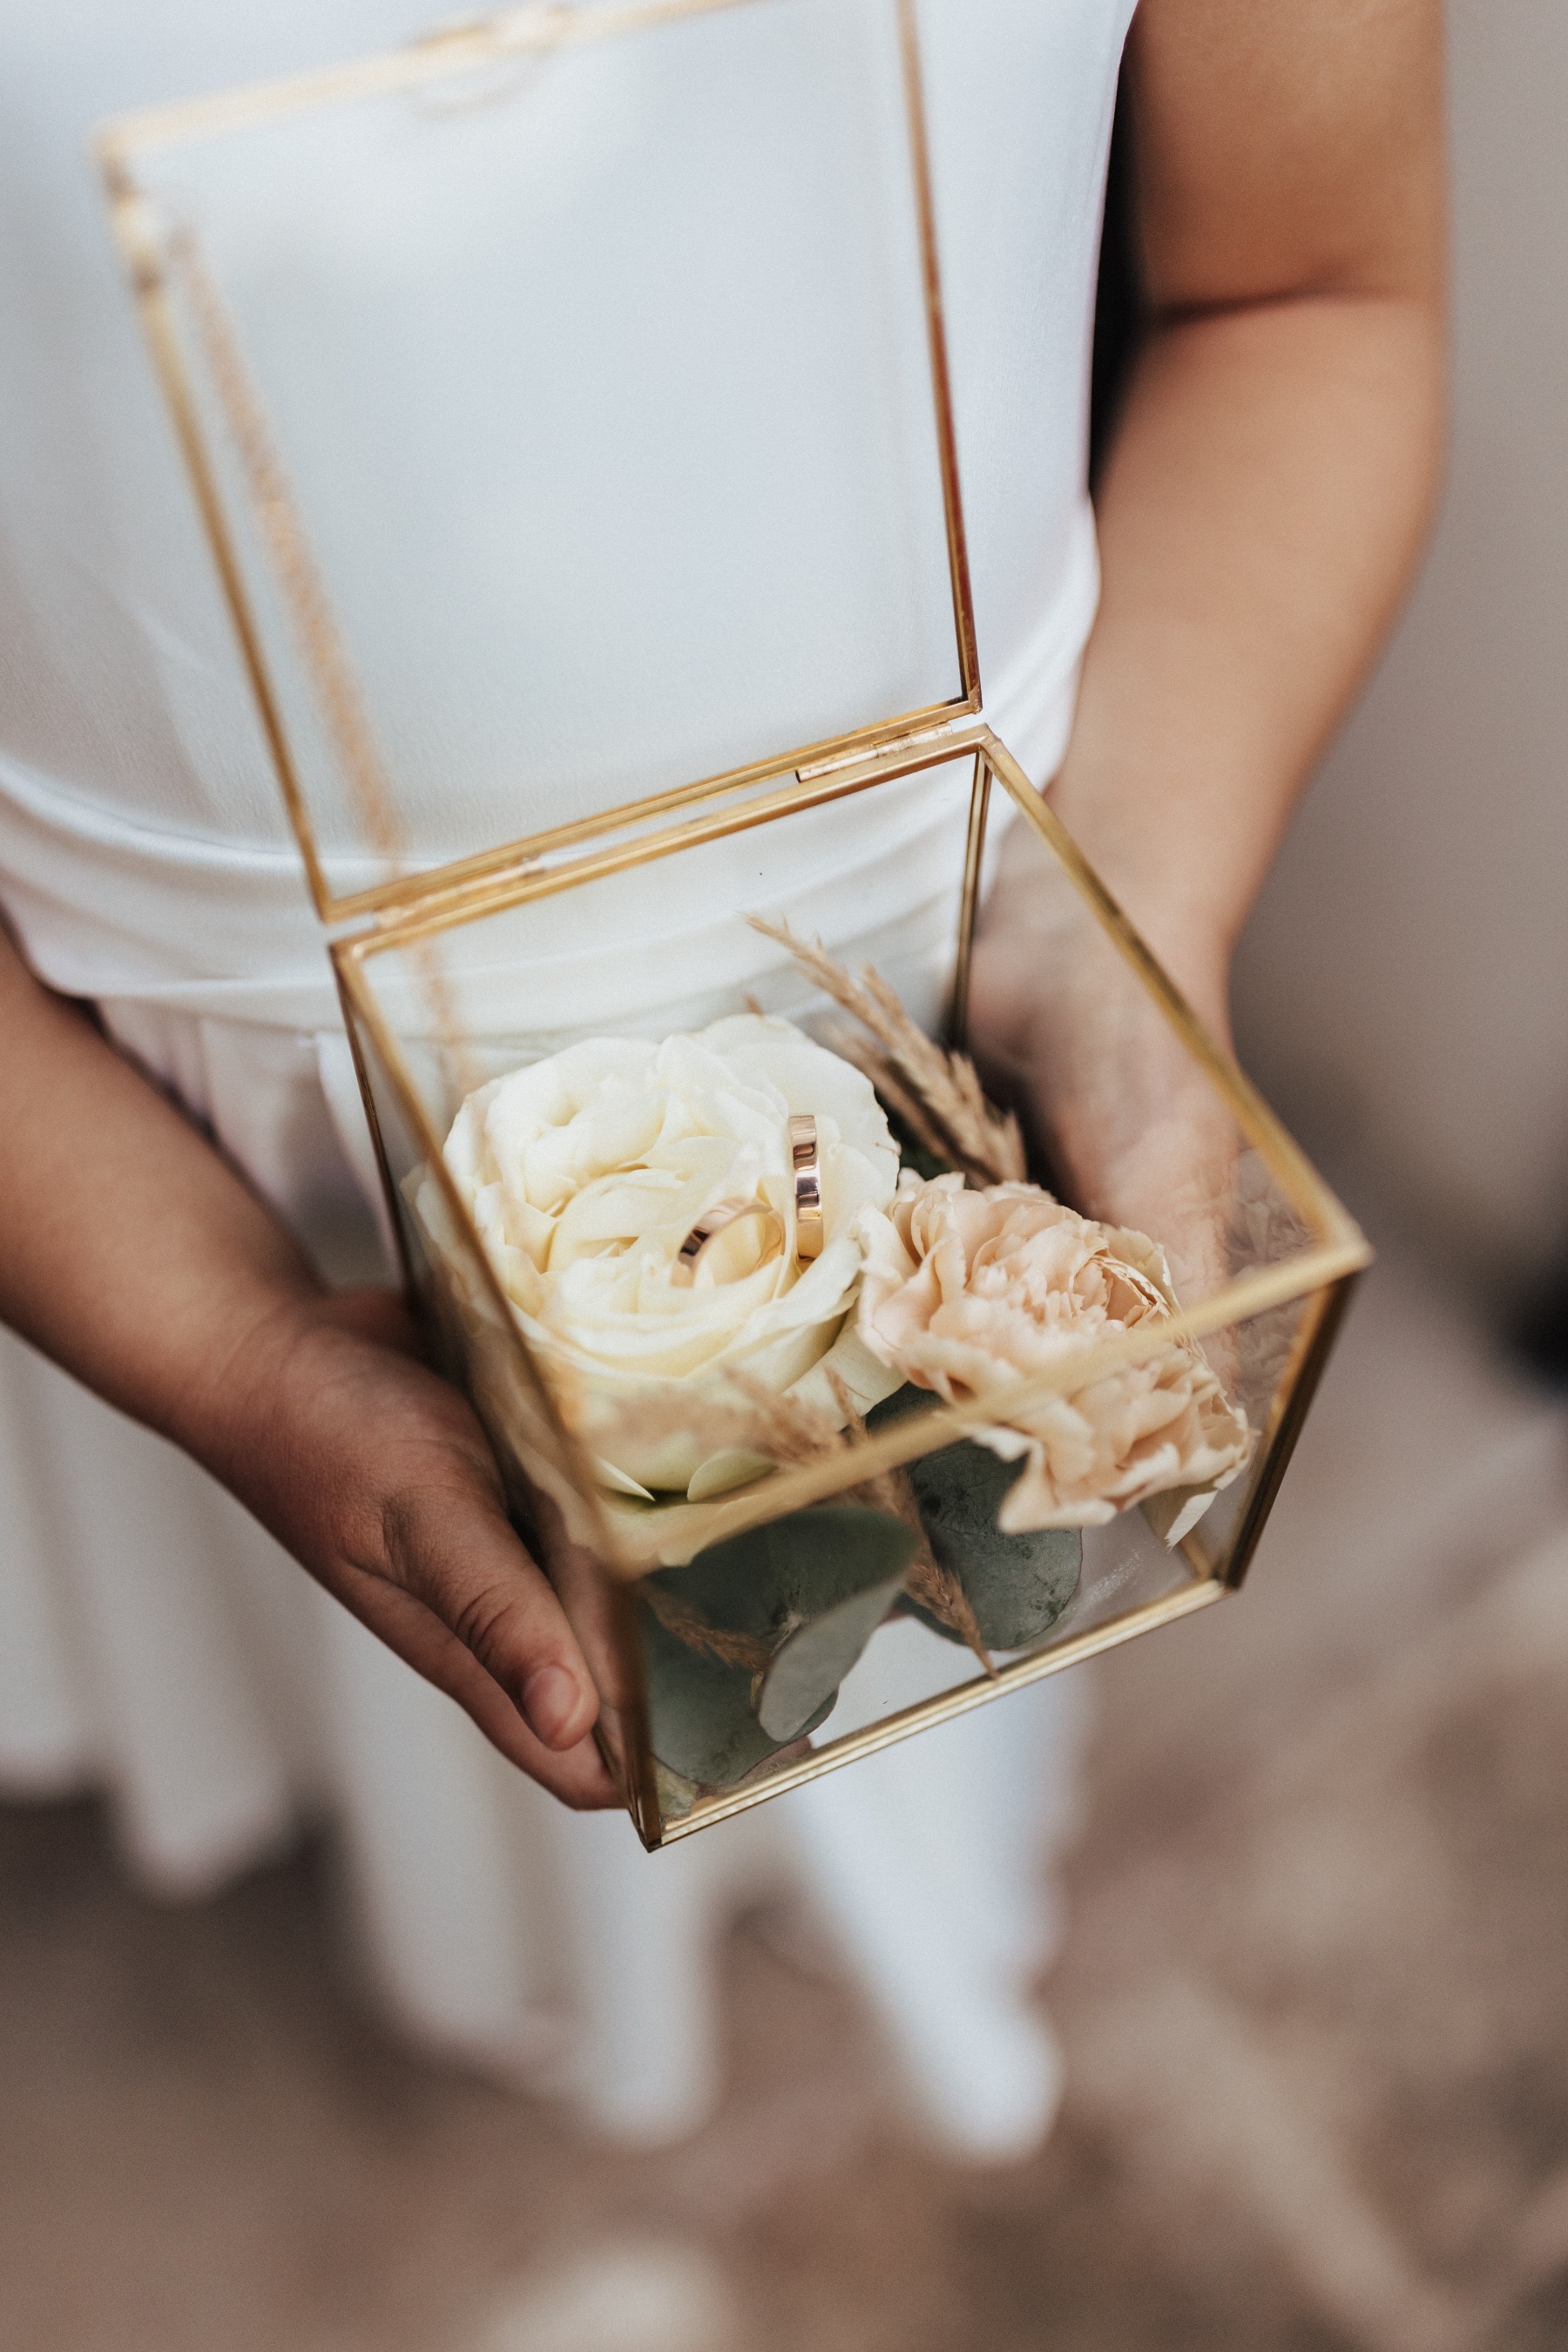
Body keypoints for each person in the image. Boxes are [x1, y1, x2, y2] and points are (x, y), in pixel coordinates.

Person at [0, 0, 1443, 2146]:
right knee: (434, 1651)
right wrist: (225, 1344)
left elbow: (1309, 284)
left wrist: (1124, 921)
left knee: (944, 1580)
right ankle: (494, 1955)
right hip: (181, 1136)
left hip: (963, 993)